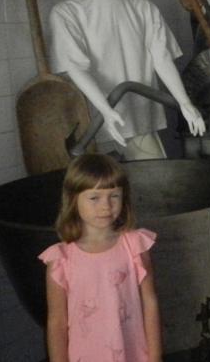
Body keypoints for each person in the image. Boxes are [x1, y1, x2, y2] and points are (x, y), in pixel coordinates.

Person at [49, 0, 205, 160]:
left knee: (152, 176)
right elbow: (75, 67)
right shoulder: (69, 11)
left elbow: (161, 58)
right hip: (93, 121)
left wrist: (184, 102)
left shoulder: (142, 6)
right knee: (103, 179)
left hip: (138, 116)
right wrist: (106, 111)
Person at [39, 154, 161, 362]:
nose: (106, 206)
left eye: (114, 196)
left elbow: (150, 303)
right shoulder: (60, 260)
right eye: (94, 198)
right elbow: (57, 321)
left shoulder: (135, 246)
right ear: (73, 199)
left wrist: (156, 357)